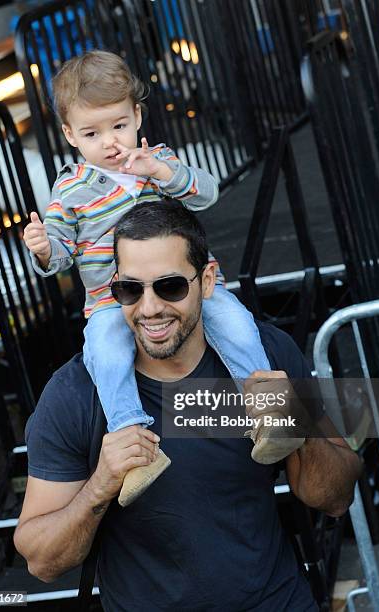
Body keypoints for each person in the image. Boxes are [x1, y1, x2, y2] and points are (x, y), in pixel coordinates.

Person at [15, 200, 362, 611]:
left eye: (170, 287)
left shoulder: (264, 356)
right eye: (130, 289)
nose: (149, 309)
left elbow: (336, 497)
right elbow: (41, 561)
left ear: (208, 280)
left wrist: (298, 427)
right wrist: (101, 485)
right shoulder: (76, 394)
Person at [22, 50, 281, 507]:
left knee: (237, 322)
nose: (110, 141)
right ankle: (135, 443)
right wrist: (45, 248)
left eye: (119, 125)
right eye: (92, 132)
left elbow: (207, 193)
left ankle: (268, 412)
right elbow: (61, 252)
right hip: (111, 299)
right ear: (69, 135)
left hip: (181, 288)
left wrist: (161, 171)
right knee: (104, 352)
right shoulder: (70, 188)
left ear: (138, 115)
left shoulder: (156, 162)